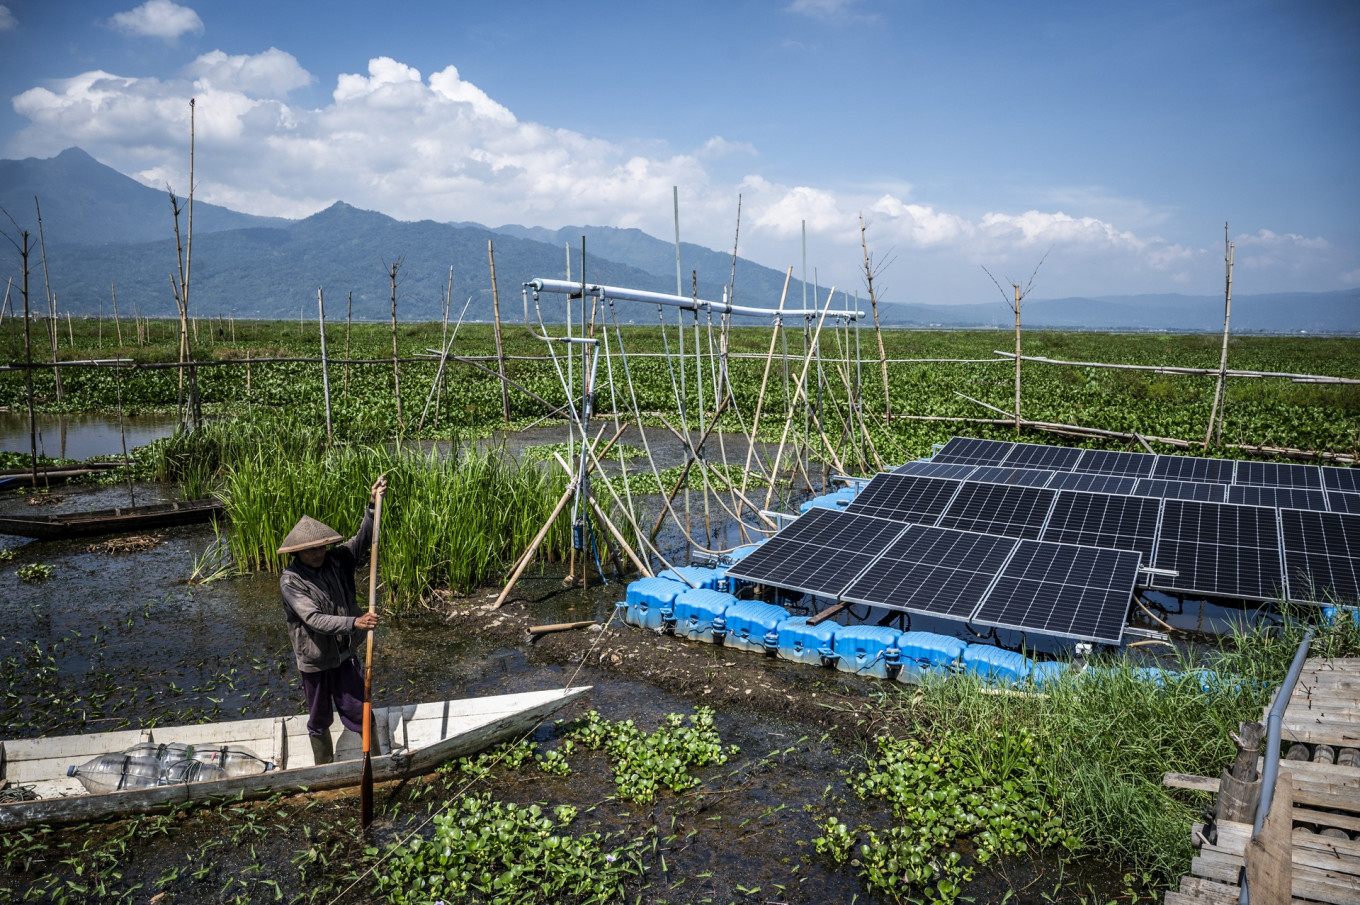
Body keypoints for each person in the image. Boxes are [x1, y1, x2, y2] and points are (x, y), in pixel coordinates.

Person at [278, 476, 387, 765]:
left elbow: (363, 540)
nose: (316, 553)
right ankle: (323, 768)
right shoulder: (292, 580)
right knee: (319, 716)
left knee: (359, 709)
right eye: (310, 549)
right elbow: (313, 619)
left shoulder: (337, 559)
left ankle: (374, 763)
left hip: (344, 654)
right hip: (315, 660)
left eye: (320, 547)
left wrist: (373, 505)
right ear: (297, 552)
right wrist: (354, 623)